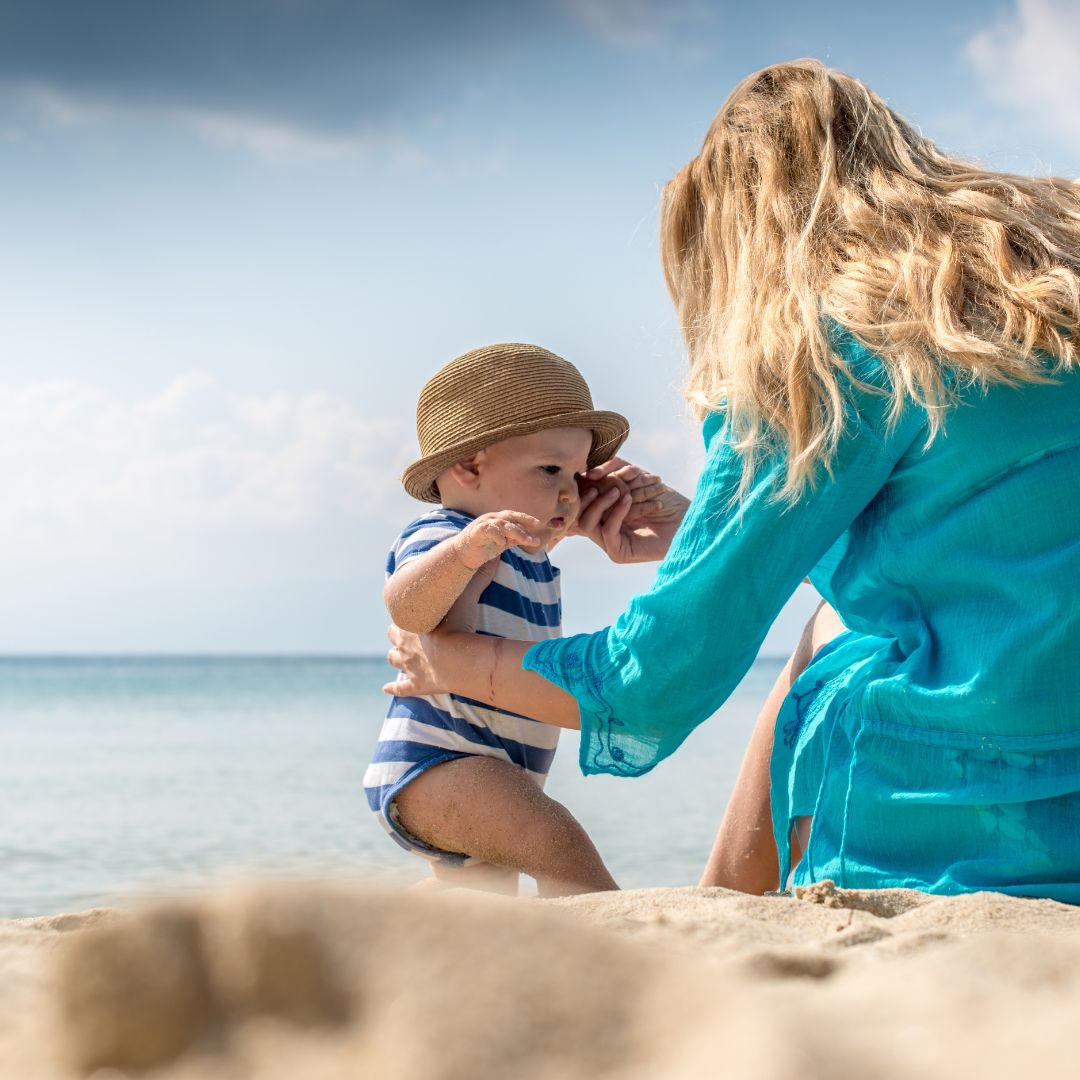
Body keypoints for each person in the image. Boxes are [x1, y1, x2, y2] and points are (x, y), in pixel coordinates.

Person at [385, 60, 1080, 902]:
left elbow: (653, 684)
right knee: (835, 620)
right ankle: (722, 909)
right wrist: (702, 535)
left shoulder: (828, 340)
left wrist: (449, 659)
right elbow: (984, 541)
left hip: (997, 795)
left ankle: (722, 910)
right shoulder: (1036, 269)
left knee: (826, 649)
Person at [365, 341, 662, 897]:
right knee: (556, 841)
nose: (570, 493)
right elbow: (407, 608)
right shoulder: (446, 534)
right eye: (551, 469)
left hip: (494, 768)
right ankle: (604, 946)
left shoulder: (527, 559)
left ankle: (389, 942)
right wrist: (466, 552)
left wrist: (640, 524)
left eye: (578, 474)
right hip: (440, 762)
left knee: (482, 899)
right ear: (469, 466)